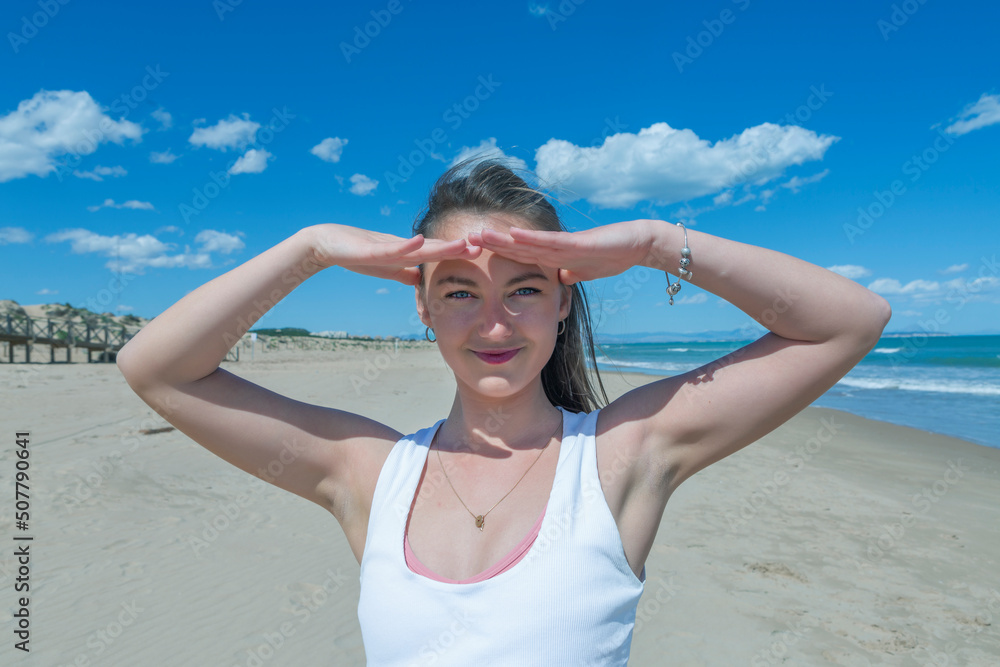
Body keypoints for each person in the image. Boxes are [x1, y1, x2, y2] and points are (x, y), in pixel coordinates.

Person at [116, 158, 891, 664]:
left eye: (524, 288)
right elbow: (156, 369)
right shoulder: (369, 474)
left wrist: (656, 241)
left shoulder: (622, 457)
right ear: (421, 307)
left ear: (563, 302)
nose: (494, 324)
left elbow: (848, 320)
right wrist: (312, 247)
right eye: (459, 291)